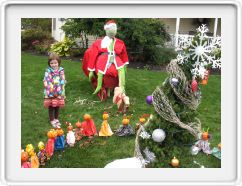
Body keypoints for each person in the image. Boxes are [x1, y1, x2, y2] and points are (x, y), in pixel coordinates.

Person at [87, 20, 129, 95]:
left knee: (121, 70)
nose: (113, 31)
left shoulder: (120, 42)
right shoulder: (99, 42)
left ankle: (121, 87)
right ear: (106, 30)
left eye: (114, 29)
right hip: (103, 59)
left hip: (116, 59)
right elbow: (93, 55)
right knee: (102, 71)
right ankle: (100, 86)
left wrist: (125, 65)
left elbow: (124, 54)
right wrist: (91, 70)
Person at [43, 53, 66, 128]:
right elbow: (47, 80)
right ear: (49, 63)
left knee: (57, 105)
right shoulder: (48, 71)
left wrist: (62, 85)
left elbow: (62, 79)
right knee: (51, 106)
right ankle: (52, 120)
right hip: (51, 91)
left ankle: (56, 118)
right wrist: (51, 90)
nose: (53, 65)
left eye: (55, 63)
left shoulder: (61, 70)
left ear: (58, 62)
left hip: (59, 91)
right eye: (51, 63)